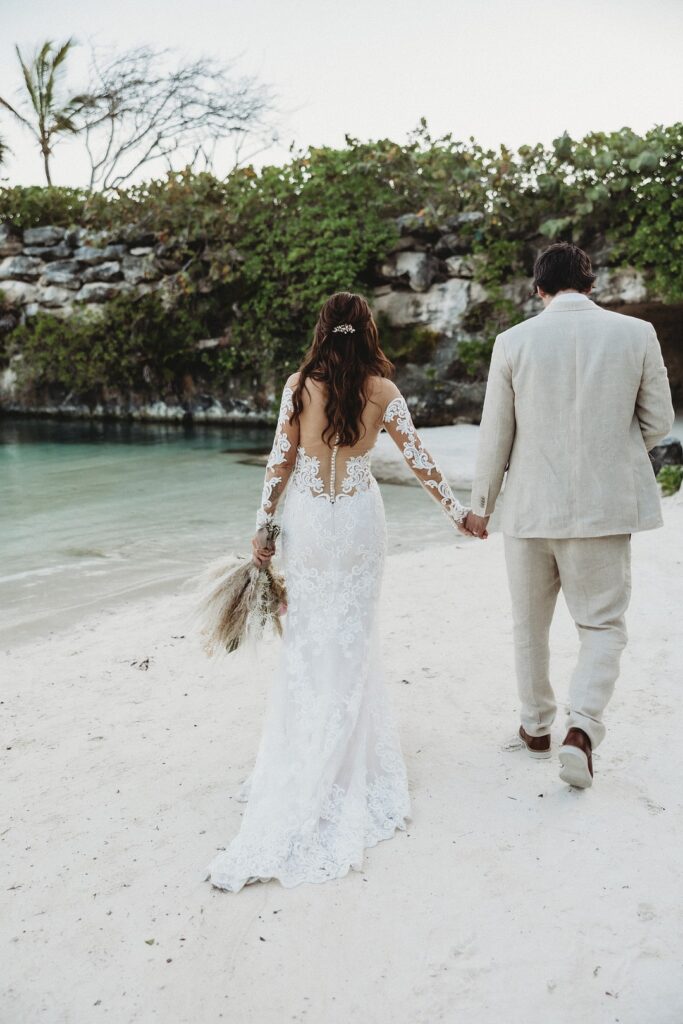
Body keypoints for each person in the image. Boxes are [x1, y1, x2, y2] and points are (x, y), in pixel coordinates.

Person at [205, 291, 474, 892]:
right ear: (369, 330)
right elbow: (420, 460)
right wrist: (458, 514)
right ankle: (349, 755)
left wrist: (263, 526)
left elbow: (279, 462)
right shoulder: (383, 391)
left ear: (323, 331)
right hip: (357, 522)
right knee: (353, 637)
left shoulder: (299, 385)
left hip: (310, 524)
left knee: (306, 637)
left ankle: (308, 745)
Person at [465, 242, 674, 788]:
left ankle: (536, 727)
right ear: (591, 283)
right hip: (604, 509)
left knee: (529, 623)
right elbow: (658, 421)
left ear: (538, 288)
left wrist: (481, 507)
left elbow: (496, 436)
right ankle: (581, 729)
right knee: (602, 625)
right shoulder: (637, 335)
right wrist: (615, 452)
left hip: (531, 508)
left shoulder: (512, 342)